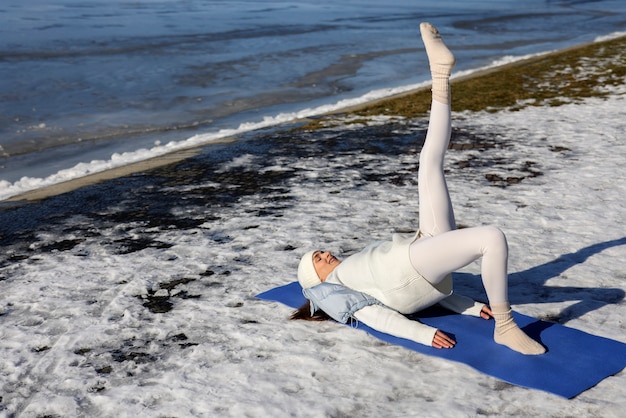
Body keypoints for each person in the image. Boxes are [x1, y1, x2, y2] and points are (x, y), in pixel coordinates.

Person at [290, 22, 546, 355]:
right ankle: (505, 326)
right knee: (490, 237)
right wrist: (420, 335)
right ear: (317, 279)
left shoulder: (349, 270)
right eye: (318, 260)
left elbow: (401, 284)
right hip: (411, 267)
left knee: (428, 161)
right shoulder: (336, 287)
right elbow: (375, 316)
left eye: (319, 252)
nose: (325, 254)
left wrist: (465, 305)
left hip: (418, 252)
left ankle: (439, 74)